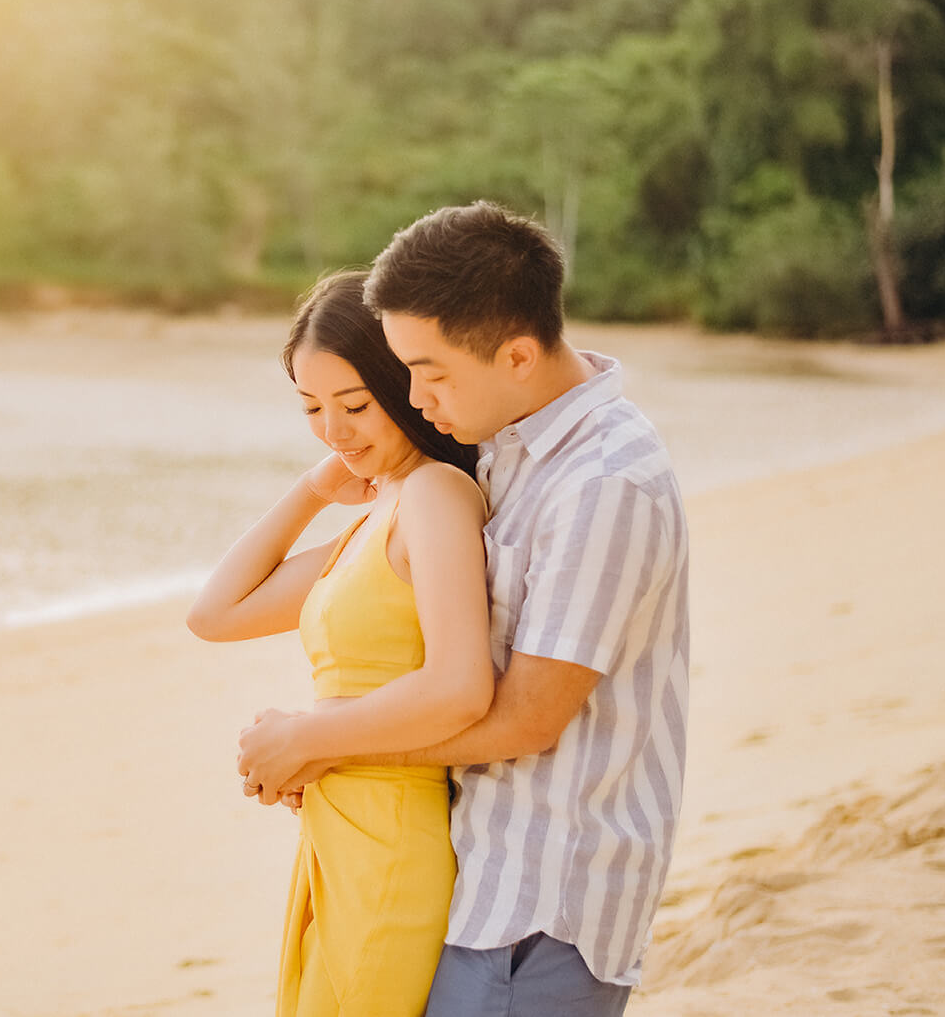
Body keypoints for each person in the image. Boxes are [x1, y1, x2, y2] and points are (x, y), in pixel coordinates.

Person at [237, 202, 691, 1016]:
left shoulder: (601, 484)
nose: (412, 397)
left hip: (547, 895)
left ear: (517, 355)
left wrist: (323, 748)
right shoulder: (511, 448)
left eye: (431, 372)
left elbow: (527, 719)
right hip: (486, 872)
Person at [186, 270, 496, 1016]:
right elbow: (215, 612)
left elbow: (460, 687)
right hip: (337, 833)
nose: (333, 429)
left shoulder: (434, 495)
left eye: (354, 404)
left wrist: (304, 736)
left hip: (390, 837)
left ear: (407, 385)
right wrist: (313, 491)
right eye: (312, 407)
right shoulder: (379, 512)